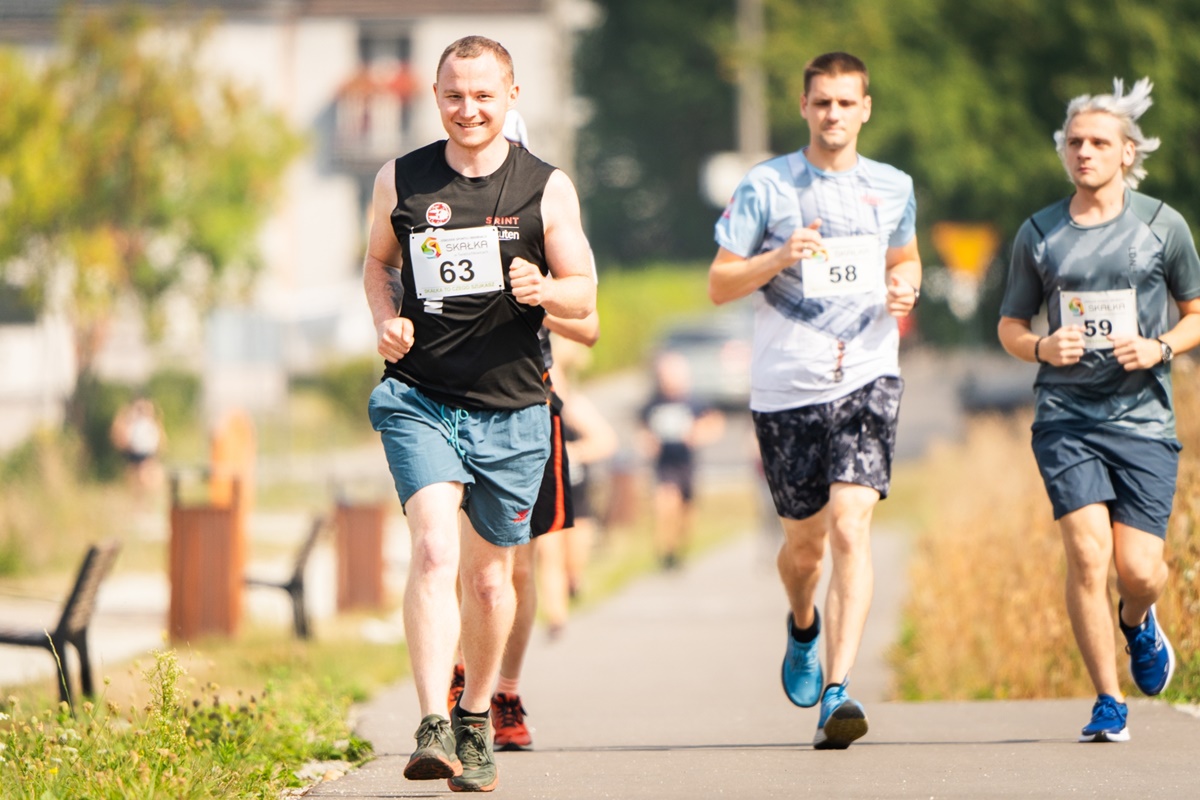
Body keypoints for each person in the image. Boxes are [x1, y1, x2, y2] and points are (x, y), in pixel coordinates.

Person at [363, 36, 595, 792]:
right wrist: (384, 321)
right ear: (435, 96)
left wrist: (544, 290)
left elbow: (584, 295)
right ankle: (432, 721)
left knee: (493, 585)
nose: (469, 109)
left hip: (514, 407)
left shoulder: (546, 188)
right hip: (420, 396)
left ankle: (475, 715)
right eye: (455, 95)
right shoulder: (400, 179)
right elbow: (378, 264)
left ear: (512, 96)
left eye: (484, 95)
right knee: (434, 551)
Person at [708, 51, 921, 749]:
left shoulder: (892, 188)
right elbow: (719, 282)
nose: (833, 114)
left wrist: (907, 285)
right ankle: (803, 623)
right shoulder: (766, 186)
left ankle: (838, 689)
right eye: (821, 102)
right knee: (806, 546)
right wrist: (778, 259)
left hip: (867, 370)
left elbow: (904, 258)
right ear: (804, 108)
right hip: (786, 383)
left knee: (852, 526)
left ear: (867, 108)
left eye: (845, 102)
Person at [998, 77, 1200, 743]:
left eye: (1098, 143)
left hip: (1143, 421)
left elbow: (1197, 313)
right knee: (1087, 556)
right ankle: (1108, 701)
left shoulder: (1162, 226)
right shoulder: (1039, 232)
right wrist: (1040, 346)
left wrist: (1159, 345)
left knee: (1138, 570)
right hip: (1066, 420)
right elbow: (1009, 325)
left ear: (1127, 152)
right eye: (1074, 142)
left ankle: (1138, 620)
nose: (1083, 152)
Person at [444, 111, 604, 755]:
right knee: (463, 558)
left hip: (529, 402)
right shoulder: (444, 215)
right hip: (453, 400)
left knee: (521, 563)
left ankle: (504, 690)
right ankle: (462, 676)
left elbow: (589, 322)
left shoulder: (543, 215)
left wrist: (537, 292)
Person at [638, 351, 724, 570]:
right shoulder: (653, 402)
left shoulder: (694, 402)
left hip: (686, 464)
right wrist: (648, 442)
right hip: (664, 464)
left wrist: (698, 434)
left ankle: (679, 548)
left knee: (686, 511)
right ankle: (664, 552)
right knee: (664, 505)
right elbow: (641, 428)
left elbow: (715, 423)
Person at [110, 396, 165, 503]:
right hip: (135, 451)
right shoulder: (132, 421)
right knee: (135, 478)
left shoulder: (150, 422)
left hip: (146, 452)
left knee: (144, 477)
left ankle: (144, 501)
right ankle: (139, 501)